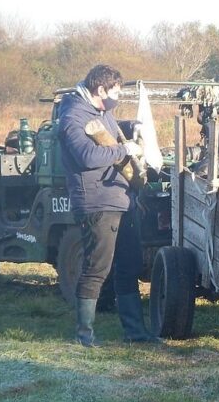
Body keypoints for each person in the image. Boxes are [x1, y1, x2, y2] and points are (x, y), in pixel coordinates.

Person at [58, 64, 158, 347]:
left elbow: (110, 131)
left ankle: (135, 334)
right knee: (97, 269)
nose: (117, 97)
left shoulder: (102, 112)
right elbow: (87, 156)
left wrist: (129, 126)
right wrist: (123, 150)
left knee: (129, 265)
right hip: (96, 203)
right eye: (114, 92)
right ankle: (84, 337)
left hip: (121, 199)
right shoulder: (72, 117)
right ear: (100, 90)